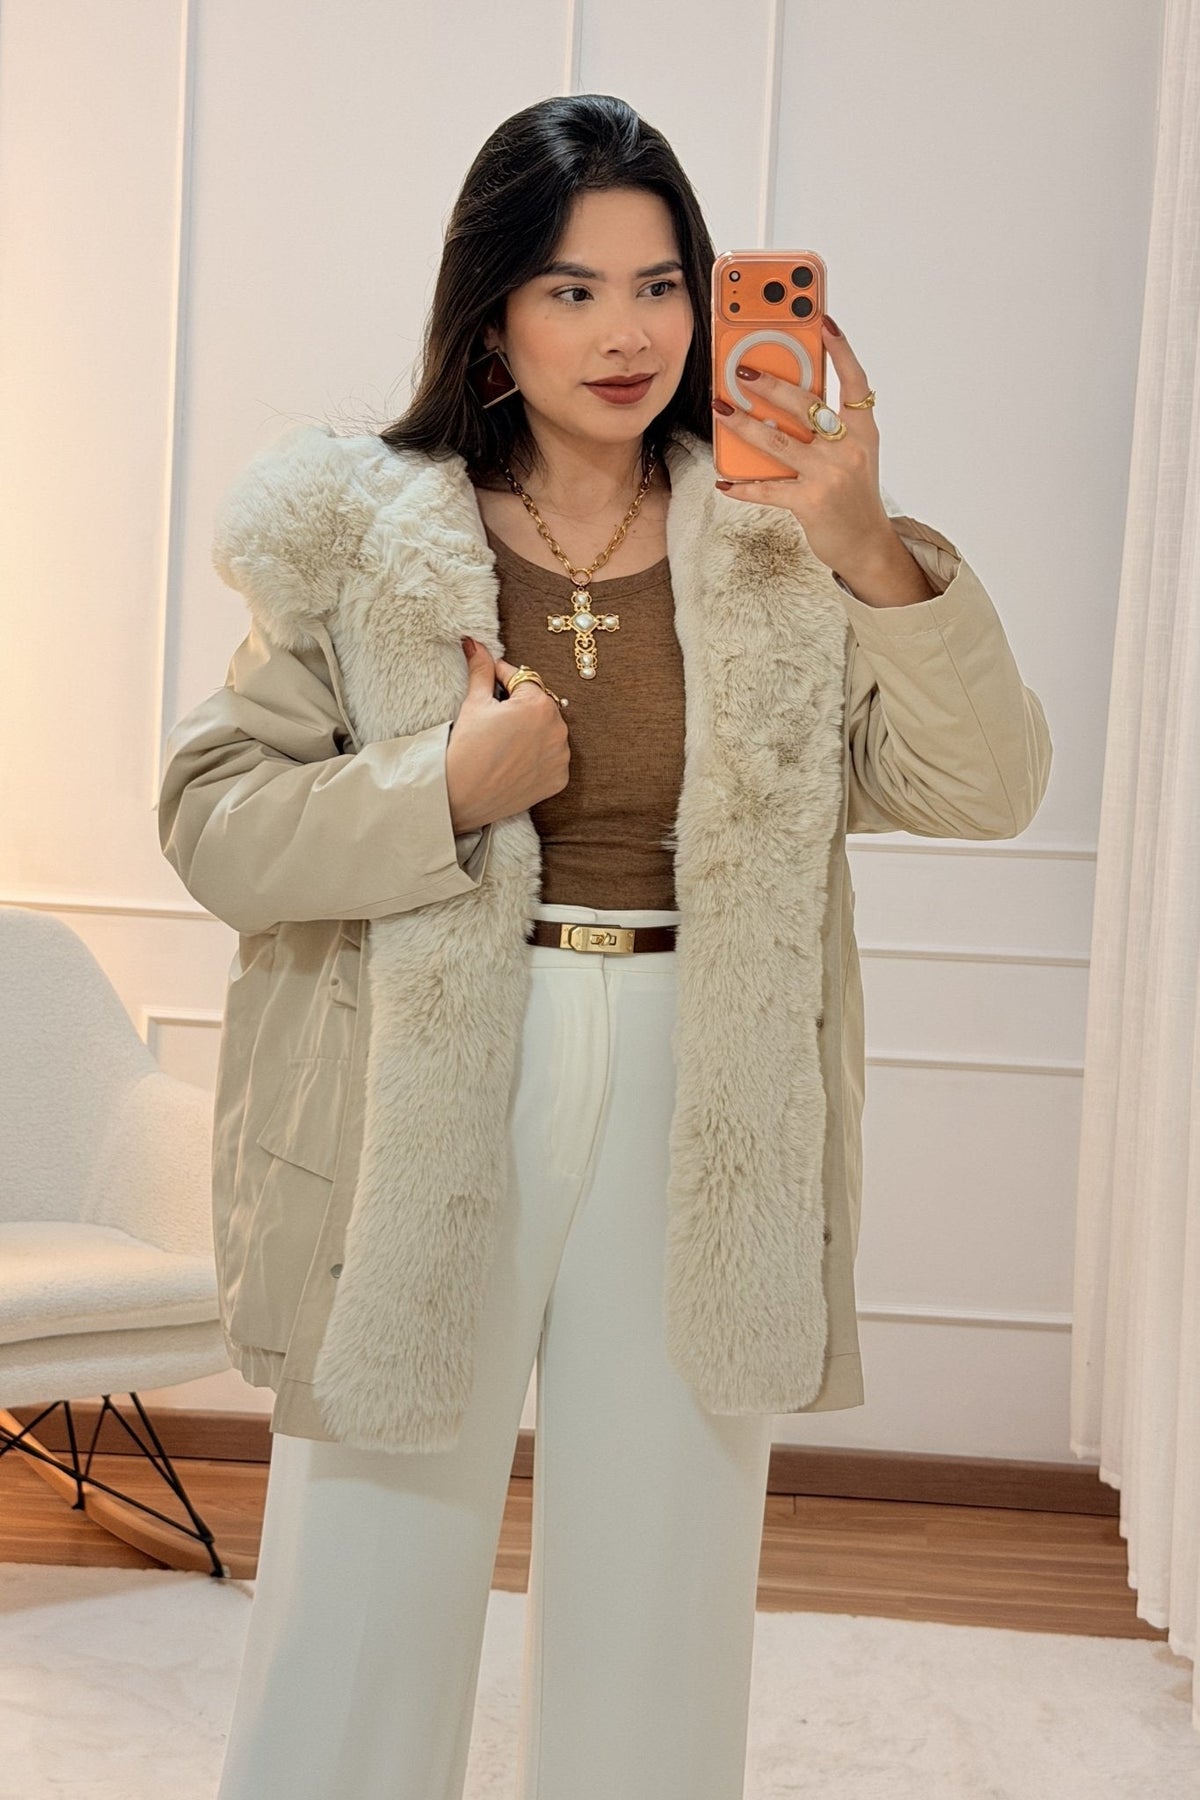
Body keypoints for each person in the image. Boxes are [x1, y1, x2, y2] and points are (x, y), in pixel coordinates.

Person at [158, 92, 1052, 1800]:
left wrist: (868, 540)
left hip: (700, 1079)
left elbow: (988, 784)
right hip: (428, 1073)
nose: (625, 332)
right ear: (491, 311)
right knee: (366, 1576)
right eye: (571, 290)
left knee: (663, 1579)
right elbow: (215, 820)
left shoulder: (779, 543)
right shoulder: (361, 533)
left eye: (659, 285)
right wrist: (445, 788)